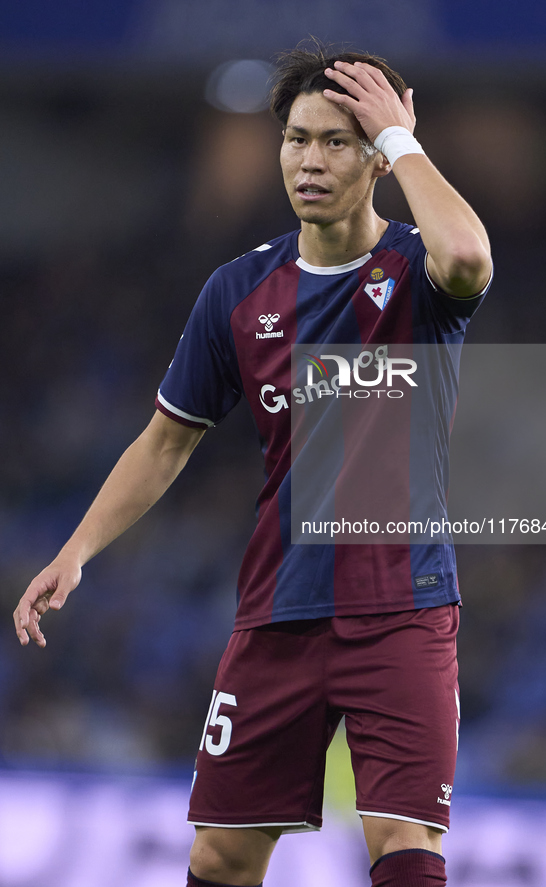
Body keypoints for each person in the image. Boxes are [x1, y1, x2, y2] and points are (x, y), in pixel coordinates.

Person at [14, 42, 492, 887]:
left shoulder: (414, 269)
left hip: (404, 607)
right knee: (222, 853)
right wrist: (76, 550)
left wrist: (404, 140)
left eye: (337, 142)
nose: (309, 160)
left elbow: (468, 260)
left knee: (404, 838)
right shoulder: (238, 291)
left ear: (376, 156)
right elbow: (166, 438)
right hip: (279, 610)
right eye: (296, 138)